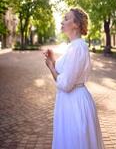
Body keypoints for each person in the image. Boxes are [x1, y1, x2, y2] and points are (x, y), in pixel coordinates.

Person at [43, 8, 104, 149]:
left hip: (75, 105)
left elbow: (65, 84)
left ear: (76, 24)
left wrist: (51, 67)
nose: (61, 22)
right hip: (69, 103)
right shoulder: (73, 47)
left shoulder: (78, 48)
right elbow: (64, 72)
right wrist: (53, 60)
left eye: (66, 18)